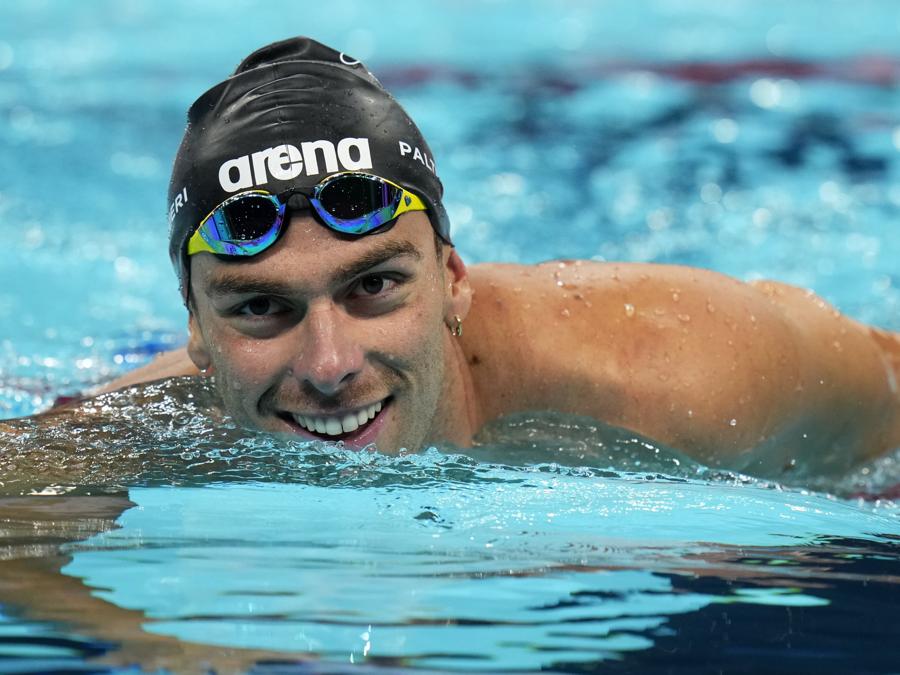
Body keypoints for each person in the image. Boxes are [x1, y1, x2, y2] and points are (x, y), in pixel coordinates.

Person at [87, 36, 900, 475]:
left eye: (374, 285)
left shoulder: (679, 370)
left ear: (451, 281)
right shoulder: (150, 422)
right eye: (263, 306)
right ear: (196, 328)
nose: (328, 365)